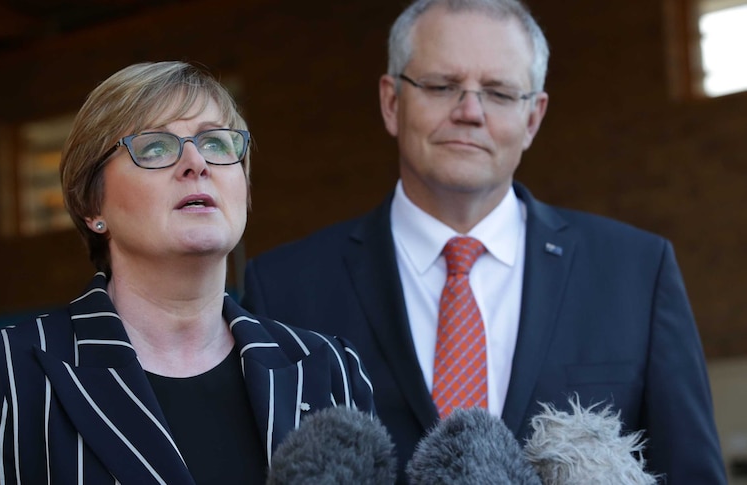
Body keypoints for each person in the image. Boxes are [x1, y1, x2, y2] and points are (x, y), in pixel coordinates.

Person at [241, 0, 727, 483]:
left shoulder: (636, 273)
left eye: (498, 92)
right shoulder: (285, 287)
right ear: (391, 102)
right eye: (441, 85)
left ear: (533, 118)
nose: (470, 111)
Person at [0, 61, 375, 485]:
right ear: (90, 204)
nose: (197, 163)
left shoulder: (327, 368)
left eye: (216, 142)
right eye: (155, 147)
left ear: (246, 188)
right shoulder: (7, 371)